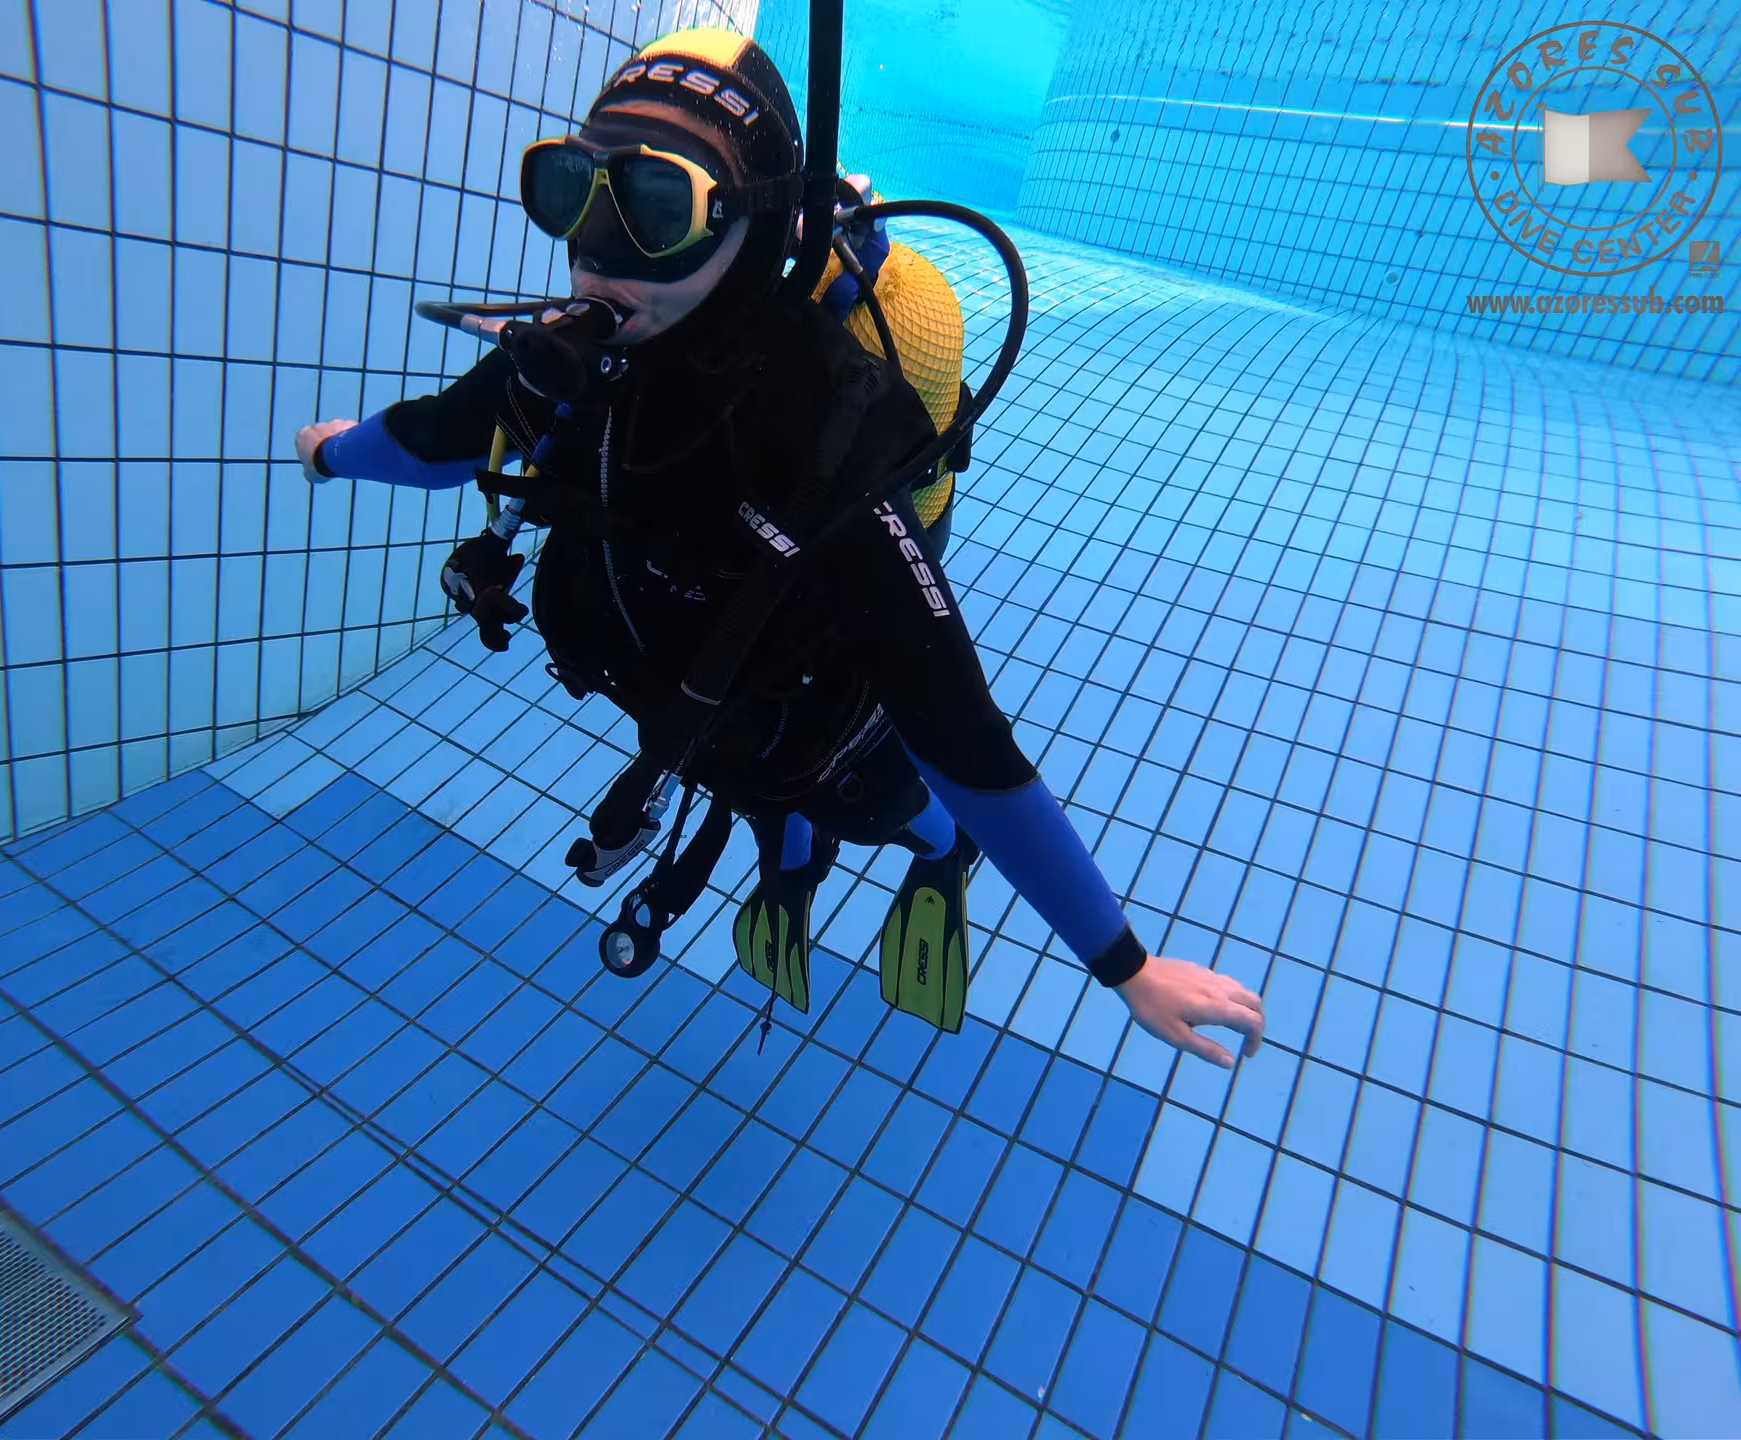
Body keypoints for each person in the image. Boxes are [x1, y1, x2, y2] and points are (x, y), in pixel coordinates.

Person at [293, 28, 1264, 1068]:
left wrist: (1123, 964)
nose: (600, 248)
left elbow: (962, 732)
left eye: (658, 207)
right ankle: (788, 869)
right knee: (762, 801)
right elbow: (444, 437)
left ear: (752, 228)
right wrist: (335, 452)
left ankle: (942, 857)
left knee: (892, 805)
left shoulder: (815, 434)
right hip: (689, 701)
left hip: (818, 720)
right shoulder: (571, 364)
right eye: (577, 190)